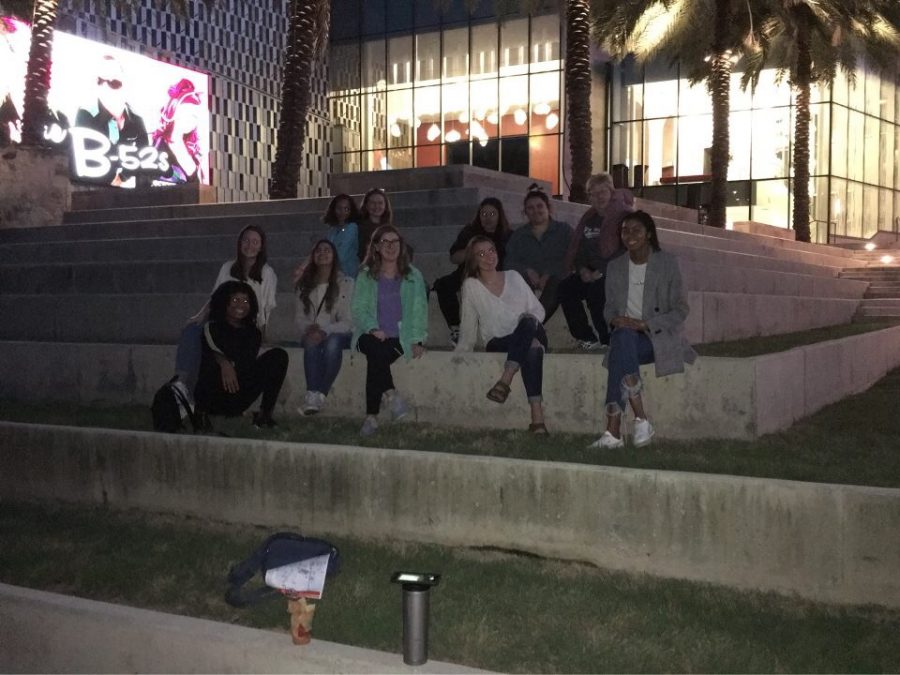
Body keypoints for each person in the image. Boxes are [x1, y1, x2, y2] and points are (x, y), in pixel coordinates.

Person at [589, 210, 696, 449]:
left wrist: (645, 324)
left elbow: (681, 309)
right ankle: (638, 418)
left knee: (620, 345)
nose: (629, 235)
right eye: (625, 230)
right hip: (626, 336)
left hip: (656, 338)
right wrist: (616, 319)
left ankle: (615, 429)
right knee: (623, 338)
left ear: (649, 233)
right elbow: (608, 309)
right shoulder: (615, 267)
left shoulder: (667, 263)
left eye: (636, 230)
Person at [455, 235, 549, 434]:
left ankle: (506, 379)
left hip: (532, 329)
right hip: (499, 341)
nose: (489, 256)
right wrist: (462, 351)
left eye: (491, 250)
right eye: (481, 253)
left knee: (529, 320)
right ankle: (537, 418)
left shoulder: (514, 276)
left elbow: (538, 311)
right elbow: (468, 324)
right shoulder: (471, 286)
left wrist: (525, 319)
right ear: (474, 259)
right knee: (531, 346)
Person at [174, 225, 278, 395]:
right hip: (222, 319)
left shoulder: (267, 273)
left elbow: (266, 308)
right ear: (239, 243)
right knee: (191, 330)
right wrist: (199, 316)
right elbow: (215, 297)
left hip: (246, 323)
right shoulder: (228, 267)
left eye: (255, 242)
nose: (249, 245)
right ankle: (181, 382)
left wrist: (263, 334)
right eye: (245, 240)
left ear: (261, 246)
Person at [351, 225, 428, 436]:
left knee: (377, 357)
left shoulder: (413, 275)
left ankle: (371, 417)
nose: (391, 246)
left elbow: (420, 310)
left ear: (401, 246)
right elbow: (358, 308)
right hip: (367, 333)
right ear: (376, 247)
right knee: (374, 348)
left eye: (395, 242)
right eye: (385, 242)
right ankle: (392, 395)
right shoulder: (366, 275)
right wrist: (372, 327)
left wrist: (417, 339)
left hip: (398, 337)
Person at [193, 281, 289, 431]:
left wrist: (230, 364)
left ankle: (265, 415)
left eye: (245, 301)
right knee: (213, 362)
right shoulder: (212, 326)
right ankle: (200, 416)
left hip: (237, 394)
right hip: (213, 396)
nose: (241, 305)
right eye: (235, 300)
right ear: (225, 302)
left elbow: (245, 363)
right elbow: (210, 348)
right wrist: (223, 362)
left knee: (279, 356)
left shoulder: (253, 333)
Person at [559, 173, 634, 351]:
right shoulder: (588, 218)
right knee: (565, 288)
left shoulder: (624, 216)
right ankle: (586, 337)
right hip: (591, 270)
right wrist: (582, 269)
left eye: (603, 192)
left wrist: (602, 270)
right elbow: (579, 249)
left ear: (611, 192)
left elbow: (627, 249)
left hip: (616, 270)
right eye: (593, 193)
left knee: (596, 292)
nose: (599, 197)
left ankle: (608, 339)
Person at [433, 197, 512, 346]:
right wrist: (471, 250)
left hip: (494, 274)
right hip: (467, 272)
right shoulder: (470, 231)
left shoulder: (507, 235)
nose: (488, 218)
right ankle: (456, 328)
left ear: (499, 215)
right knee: (443, 285)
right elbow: (454, 257)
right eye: (484, 214)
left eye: (492, 214)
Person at [295, 239, 354, 415]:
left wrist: (325, 330)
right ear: (313, 256)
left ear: (334, 255)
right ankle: (312, 394)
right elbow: (299, 317)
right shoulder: (303, 285)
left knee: (332, 343)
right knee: (311, 342)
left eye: (327, 250)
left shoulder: (346, 283)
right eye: (318, 250)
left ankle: (321, 393)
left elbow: (349, 320)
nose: (323, 253)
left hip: (339, 332)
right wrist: (309, 328)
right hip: (313, 332)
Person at [73, 54, 150, 186]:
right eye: (102, 81)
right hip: (94, 193)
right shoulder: (86, 114)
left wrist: (123, 177)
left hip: (133, 197)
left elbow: (146, 158)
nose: (108, 87)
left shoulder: (136, 120)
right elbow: (84, 159)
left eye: (115, 82)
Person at [504, 184, 572, 322]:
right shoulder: (519, 235)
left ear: (549, 208)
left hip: (556, 278)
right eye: (530, 208)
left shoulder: (564, 230)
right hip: (528, 280)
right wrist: (527, 270)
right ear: (525, 212)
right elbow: (508, 262)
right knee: (518, 281)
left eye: (540, 206)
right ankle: (525, 326)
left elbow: (572, 257)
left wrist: (549, 273)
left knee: (558, 283)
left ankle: (533, 325)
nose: (536, 210)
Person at [151, 78, 208, 185]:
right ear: (174, 111)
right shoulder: (157, 146)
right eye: (188, 113)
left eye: (195, 115)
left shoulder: (193, 151)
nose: (192, 119)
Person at [322, 193, 361, 278]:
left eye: (346, 209)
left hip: (348, 273)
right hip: (333, 273)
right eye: (339, 208)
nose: (342, 212)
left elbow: (342, 253)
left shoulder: (352, 227)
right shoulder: (332, 230)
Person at [356, 188, 393, 262]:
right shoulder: (358, 228)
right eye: (372, 203)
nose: (376, 206)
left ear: (385, 206)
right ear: (366, 205)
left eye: (380, 203)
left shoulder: (389, 228)